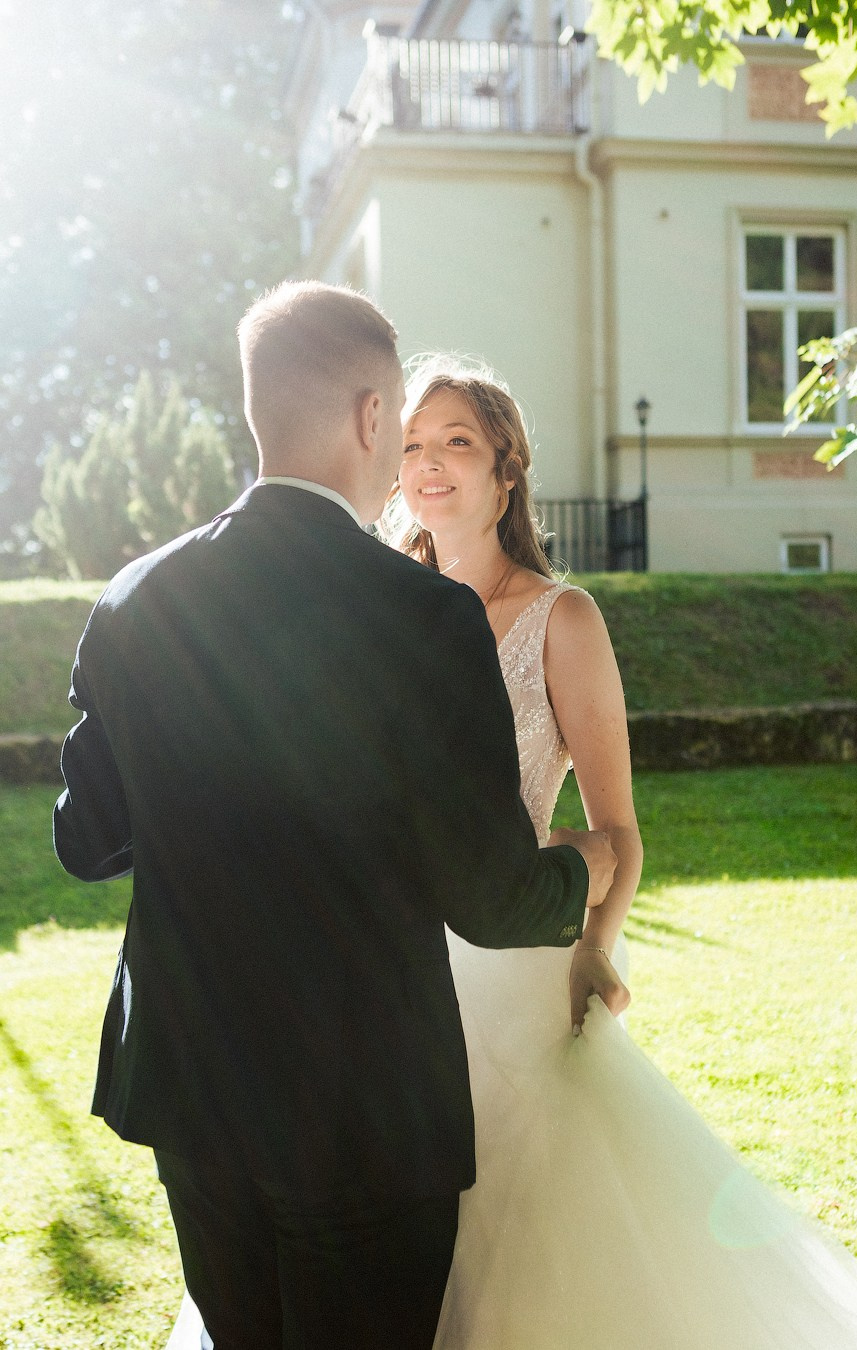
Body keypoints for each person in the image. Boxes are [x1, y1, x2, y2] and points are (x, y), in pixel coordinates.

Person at [53, 284, 617, 1350]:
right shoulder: (424, 618)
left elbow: (87, 840)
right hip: (365, 1109)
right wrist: (585, 863)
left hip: (195, 1093)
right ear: (371, 417)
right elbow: (492, 899)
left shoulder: (136, 599)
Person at [385, 357, 857, 1349]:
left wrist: (597, 948)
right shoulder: (378, 610)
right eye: (411, 443)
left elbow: (617, 829)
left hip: (516, 966)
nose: (430, 463)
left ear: (506, 470)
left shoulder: (559, 618)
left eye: (456, 441)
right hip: (392, 966)